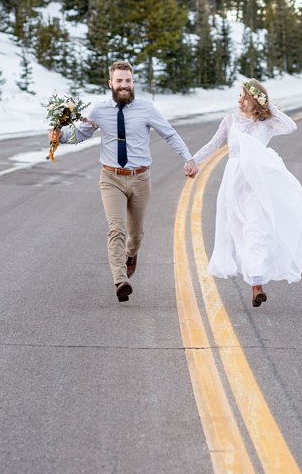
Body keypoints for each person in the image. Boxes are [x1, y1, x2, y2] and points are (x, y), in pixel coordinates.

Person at [50, 64, 197, 302]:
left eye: (128, 81)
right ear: (110, 83)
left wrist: (188, 158)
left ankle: (131, 254)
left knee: (136, 233)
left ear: (133, 83)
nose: (124, 85)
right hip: (111, 178)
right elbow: (81, 134)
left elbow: (169, 134)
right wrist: (60, 137)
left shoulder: (146, 109)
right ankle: (120, 280)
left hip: (140, 179)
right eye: (119, 81)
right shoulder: (99, 110)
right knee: (115, 228)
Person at [199, 78, 302, 310]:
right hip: (234, 182)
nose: (240, 101)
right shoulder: (230, 121)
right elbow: (213, 145)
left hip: (258, 183)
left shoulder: (267, 123)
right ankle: (252, 275)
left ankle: (257, 284)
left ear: (255, 101)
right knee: (237, 230)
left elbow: (291, 127)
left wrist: (270, 108)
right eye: (239, 97)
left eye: (245, 98)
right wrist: (193, 161)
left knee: (256, 228)